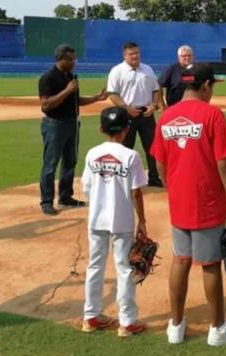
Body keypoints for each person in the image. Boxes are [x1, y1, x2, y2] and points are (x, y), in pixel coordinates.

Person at [150, 64, 226, 346]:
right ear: (205, 85)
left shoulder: (166, 116)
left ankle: (176, 325)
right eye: (212, 86)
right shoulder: (212, 114)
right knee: (209, 264)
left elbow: (159, 161)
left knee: (180, 259)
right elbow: (223, 163)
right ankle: (218, 328)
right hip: (206, 200)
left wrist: (173, 188)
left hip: (178, 200)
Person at [81, 106, 147, 337]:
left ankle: (91, 317)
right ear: (127, 129)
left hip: (96, 218)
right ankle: (127, 322)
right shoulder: (131, 156)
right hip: (121, 219)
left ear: (101, 129)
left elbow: (86, 187)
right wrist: (143, 221)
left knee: (94, 266)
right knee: (124, 268)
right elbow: (137, 192)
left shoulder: (91, 153)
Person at [38, 44, 108, 215]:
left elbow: (76, 101)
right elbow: (46, 105)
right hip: (54, 124)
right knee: (50, 164)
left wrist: (96, 98)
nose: (74, 62)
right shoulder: (48, 78)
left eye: (74, 59)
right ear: (61, 59)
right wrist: (68, 90)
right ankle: (46, 201)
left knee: (70, 161)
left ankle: (65, 196)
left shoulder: (70, 76)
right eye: (70, 59)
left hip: (72, 124)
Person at [107, 41, 163, 187]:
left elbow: (156, 90)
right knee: (125, 147)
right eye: (132, 54)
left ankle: (154, 177)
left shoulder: (148, 69)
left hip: (146, 113)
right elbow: (112, 94)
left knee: (152, 146)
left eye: (137, 53)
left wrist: (154, 105)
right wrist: (126, 108)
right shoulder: (117, 71)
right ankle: (125, 179)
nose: (135, 56)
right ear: (124, 55)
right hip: (126, 113)